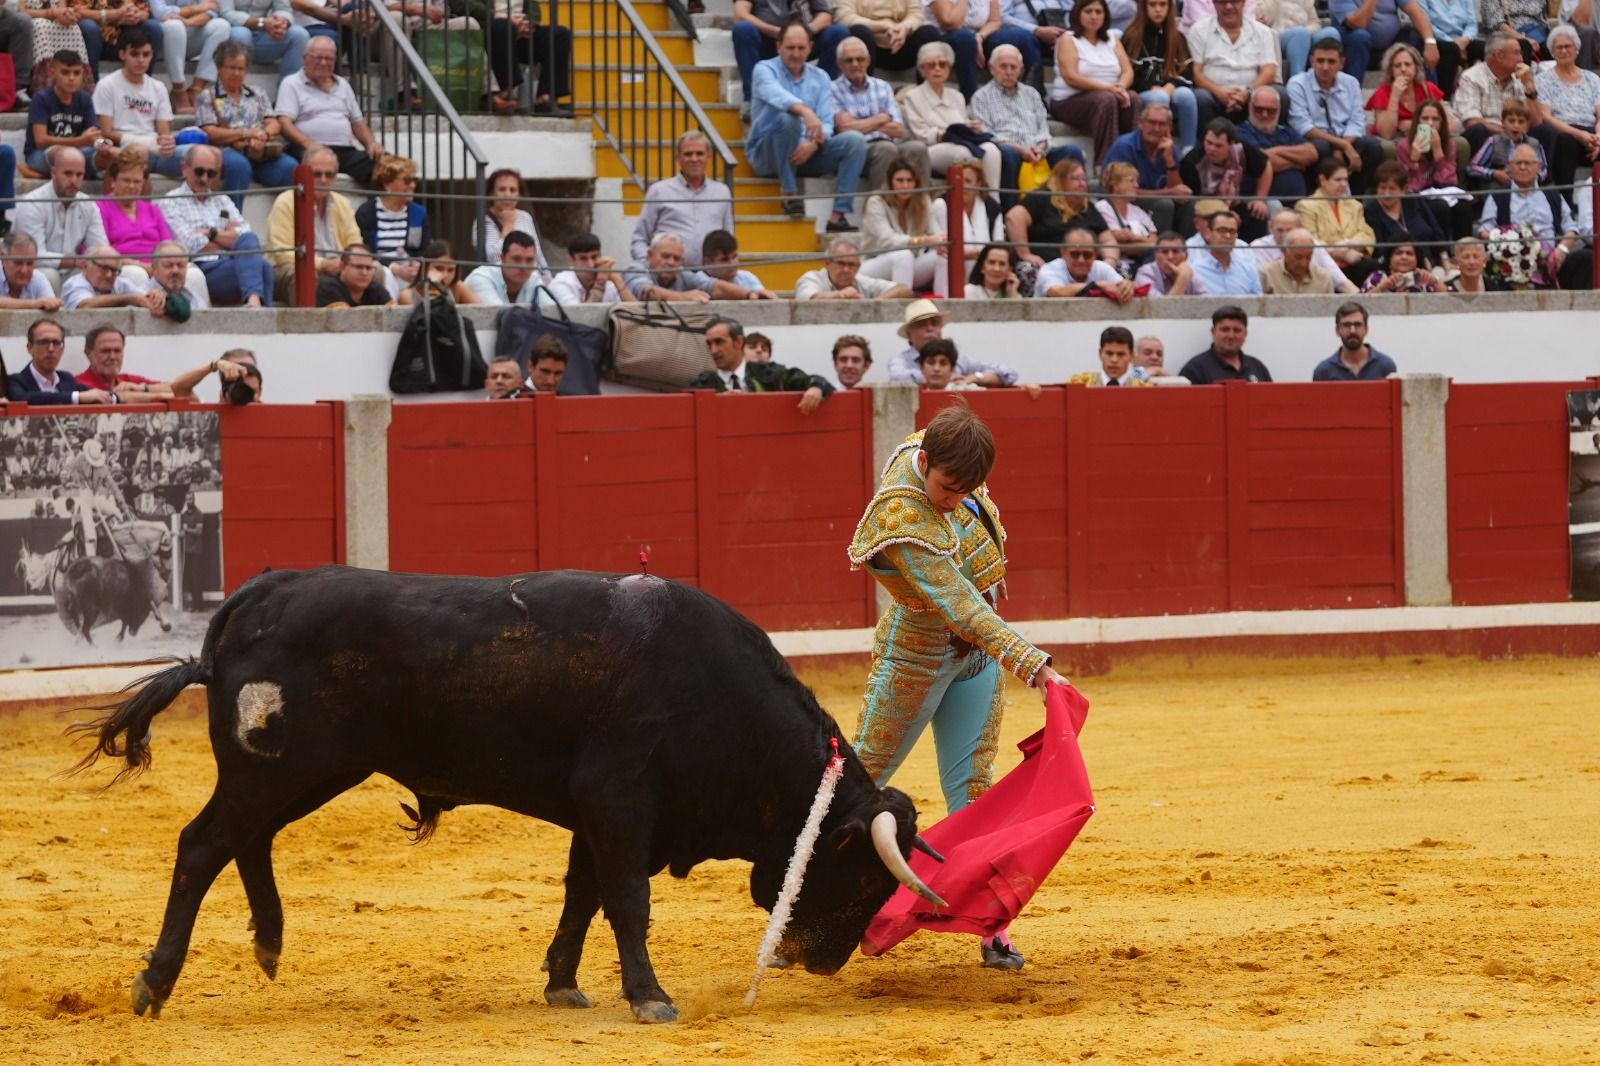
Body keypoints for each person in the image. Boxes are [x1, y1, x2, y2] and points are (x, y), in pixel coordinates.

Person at [847, 401, 1069, 970]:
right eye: (945, 488)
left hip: (975, 661)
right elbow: (962, 608)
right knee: (857, 783)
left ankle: (991, 926)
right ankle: (798, 908)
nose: (951, 501)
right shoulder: (905, 517)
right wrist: (1035, 665)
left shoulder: (947, 452)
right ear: (923, 462)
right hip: (916, 659)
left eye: (964, 491)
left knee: (974, 791)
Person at [746, 19, 868, 230]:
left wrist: (814, 143)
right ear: (779, 46)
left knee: (855, 141)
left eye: (801, 48)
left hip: (806, 152)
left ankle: (838, 216)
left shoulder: (820, 77)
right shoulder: (763, 69)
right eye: (790, 47)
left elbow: (827, 123)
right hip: (768, 155)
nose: (796, 53)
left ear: (810, 48)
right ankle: (790, 194)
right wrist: (805, 111)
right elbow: (776, 96)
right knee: (788, 118)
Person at [160, 143, 274, 306]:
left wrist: (210, 234)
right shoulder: (171, 202)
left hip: (231, 261)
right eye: (199, 171)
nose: (204, 178)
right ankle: (259, 312)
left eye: (211, 173)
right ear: (185, 168)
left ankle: (253, 302)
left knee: (257, 254)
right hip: (201, 267)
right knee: (261, 266)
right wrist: (228, 240)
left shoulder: (222, 200)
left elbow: (245, 235)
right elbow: (187, 246)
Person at [970, 43, 1078, 206]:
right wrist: (1019, 149)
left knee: (1072, 152)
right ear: (992, 68)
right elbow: (986, 135)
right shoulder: (981, 97)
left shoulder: (1032, 94)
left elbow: (1043, 128)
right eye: (1003, 66)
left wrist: (1040, 148)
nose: (1008, 72)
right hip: (1008, 152)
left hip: (1037, 152)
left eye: (1013, 67)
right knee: (1008, 154)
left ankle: (1073, 211)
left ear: (1020, 70)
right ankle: (1010, 213)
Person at [1477, 142, 1593, 288]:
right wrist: (1510, 242)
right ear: (1510, 167)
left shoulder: (1553, 195)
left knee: (1587, 259)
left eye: (1528, 163)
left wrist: (1562, 250)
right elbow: (1484, 231)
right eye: (1518, 163)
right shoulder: (1498, 196)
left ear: (1538, 167)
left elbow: (1571, 228)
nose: (1523, 167)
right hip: (1513, 262)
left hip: (1552, 261)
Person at [195, 38, 298, 196]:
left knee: (291, 168)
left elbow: (273, 123)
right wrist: (247, 133)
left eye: (241, 68)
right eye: (231, 68)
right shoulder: (207, 96)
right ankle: (232, 217)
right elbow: (210, 133)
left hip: (259, 149)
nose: (237, 73)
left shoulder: (257, 93)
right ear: (219, 68)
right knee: (239, 166)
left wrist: (264, 135)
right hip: (227, 150)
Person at [275, 35, 383, 185]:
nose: (324, 63)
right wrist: (309, 143)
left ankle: (376, 208)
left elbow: (358, 122)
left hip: (344, 150)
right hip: (307, 149)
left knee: (386, 168)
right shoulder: (291, 83)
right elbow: (284, 123)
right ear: (305, 58)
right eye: (318, 57)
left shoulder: (343, 84)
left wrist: (371, 144)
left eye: (329, 58)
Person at [832, 34, 933, 193]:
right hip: (858, 151)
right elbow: (844, 128)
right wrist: (881, 119)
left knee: (918, 149)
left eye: (860, 59)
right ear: (839, 64)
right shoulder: (833, 90)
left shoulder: (882, 86)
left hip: (889, 144)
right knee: (886, 149)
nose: (855, 64)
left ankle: (924, 206)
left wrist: (861, 124)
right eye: (848, 60)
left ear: (868, 61)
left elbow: (898, 129)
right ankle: (878, 206)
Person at [900, 39, 1002, 193]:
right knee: (964, 153)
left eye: (942, 64)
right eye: (931, 65)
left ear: (949, 68)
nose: (937, 69)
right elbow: (920, 134)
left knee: (991, 150)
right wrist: (949, 132)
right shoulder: (912, 96)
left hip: (959, 143)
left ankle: (993, 201)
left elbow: (963, 124)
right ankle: (964, 201)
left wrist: (971, 128)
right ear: (922, 70)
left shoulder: (957, 96)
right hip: (930, 149)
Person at [1286, 37, 1384, 195]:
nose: (1325, 67)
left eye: (1331, 61)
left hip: (1345, 139)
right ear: (1311, 61)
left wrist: (1342, 146)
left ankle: (1357, 199)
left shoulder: (1351, 83)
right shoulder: (1297, 84)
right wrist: (1343, 146)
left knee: (1372, 146)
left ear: (1341, 63)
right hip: (1316, 141)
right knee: (1321, 147)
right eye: (1320, 61)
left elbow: (1357, 120)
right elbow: (1303, 127)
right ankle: (1316, 195)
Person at [93, 27, 193, 180]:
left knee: (203, 155)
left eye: (146, 54)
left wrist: (166, 142)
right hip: (124, 149)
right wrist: (143, 142)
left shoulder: (158, 87)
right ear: (122, 55)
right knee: (139, 152)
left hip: (156, 152)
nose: (141, 60)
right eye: (135, 54)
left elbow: (164, 132)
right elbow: (105, 132)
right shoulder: (107, 85)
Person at [266, 144, 361, 301]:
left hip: (337, 267)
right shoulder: (285, 202)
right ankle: (304, 324)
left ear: (335, 177)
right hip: (290, 269)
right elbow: (282, 254)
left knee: (376, 271)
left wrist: (346, 265)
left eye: (329, 175)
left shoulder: (342, 203)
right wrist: (323, 264)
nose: (323, 180)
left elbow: (355, 245)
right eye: (316, 174)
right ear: (304, 172)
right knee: (305, 276)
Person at [629, 131, 734, 269]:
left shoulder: (722, 192)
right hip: (669, 277)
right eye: (688, 154)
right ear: (678, 157)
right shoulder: (659, 191)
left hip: (711, 276)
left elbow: (728, 238)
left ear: (709, 156)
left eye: (700, 153)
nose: (694, 159)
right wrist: (650, 264)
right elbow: (639, 239)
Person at [686, 316, 832, 413]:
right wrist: (717, 402)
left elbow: (817, 381)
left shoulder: (768, 373)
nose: (713, 350)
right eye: (709, 344)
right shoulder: (701, 384)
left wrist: (815, 388)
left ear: (738, 342)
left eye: (719, 342)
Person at [1049, 0, 1136, 164]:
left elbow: (1128, 71)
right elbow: (1071, 77)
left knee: (1133, 98)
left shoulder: (1112, 38)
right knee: (1106, 100)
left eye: (1098, 12)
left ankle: (1130, 161)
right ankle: (1105, 163)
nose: (1094, 16)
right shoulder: (1068, 39)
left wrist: (1120, 87)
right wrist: (1109, 89)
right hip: (1069, 101)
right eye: (1088, 11)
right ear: (1078, 13)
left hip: (1106, 95)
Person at [732, 0, 854, 109]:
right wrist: (774, 31)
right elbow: (740, 15)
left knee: (838, 32)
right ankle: (752, 98)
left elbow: (825, 16)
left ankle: (822, 95)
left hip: (802, 41)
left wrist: (804, 33)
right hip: (767, 39)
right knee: (743, 29)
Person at [1456, 32, 1557, 156]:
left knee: (1545, 131)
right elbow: (1472, 121)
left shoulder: (1521, 78)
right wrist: (1508, 134)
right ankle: (1481, 174)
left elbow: (1536, 122)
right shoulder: (1471, 77)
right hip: (1489, 136)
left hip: (1518, 134)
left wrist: (1529, 86)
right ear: (1499, 55)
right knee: (1477, 130)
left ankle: (1541, 175)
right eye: (1516, 53)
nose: (1521, 59)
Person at [860, 156, 951, 295]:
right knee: (903, 255)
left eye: (909, 181)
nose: (905, 186)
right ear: (891, 182)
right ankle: (904, 309)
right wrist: (923, 240)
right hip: (873, 266)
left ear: (916, 183)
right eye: (900, 180)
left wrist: (939, 243)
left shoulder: (922, 201)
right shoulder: (876, 202)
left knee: (942, 255)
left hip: (908, 265)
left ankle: (943, 303)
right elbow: (887, 241)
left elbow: (935, 234)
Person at [13, 146, 105, 279]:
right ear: (53, 172)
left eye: (79, 175)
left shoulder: (88, 205)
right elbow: (34, 256)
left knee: (102, 274)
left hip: (73, 270)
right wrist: (78, 261)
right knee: (49, 275)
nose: (74, 180)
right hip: (34, 274)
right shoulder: (32, 203)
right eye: (67, 173)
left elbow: (100, 249)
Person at [1100, 103, 1191, 234]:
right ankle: (1159, 252)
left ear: (1169, 128)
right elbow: (1122, 191)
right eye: (1152, 122)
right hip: (1121, 202)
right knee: (1164, 204)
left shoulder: (1170, 149)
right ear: (1140, 123)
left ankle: (1183, 250)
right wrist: (1168, 193)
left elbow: (1178, 193)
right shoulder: (1125, 146)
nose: (1156, 128)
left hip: (1155, 201)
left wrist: (1169, 160)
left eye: (1162, 124)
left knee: (1190, 204)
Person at [1004, 155, 1106, 270]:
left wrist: (1110, 260)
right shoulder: (1042, 198)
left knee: (1120, 266)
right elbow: (1014, 217)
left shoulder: (1088, 208)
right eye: (1075, 178)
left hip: (1083, 266)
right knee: (1027, 268)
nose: (1081, 183)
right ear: (1060, 180)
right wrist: (1025, 254)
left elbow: (1107, 238)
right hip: (1045, 265)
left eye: (1083, 179)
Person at [470, 0, 571, 115]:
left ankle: (544, 99)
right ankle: (502, 94)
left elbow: (533, 7)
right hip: (488, 28)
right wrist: (495, 16)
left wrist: (527, 23)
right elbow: (462, 4)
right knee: (503, 26)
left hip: (519, 30)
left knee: (559, 35)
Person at [1123, 0, 1199, 154]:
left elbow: (1186, 72)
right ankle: (1160, 149)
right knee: (1159, 98)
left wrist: (1170, 86)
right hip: (1144, 93)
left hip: (1170, 90)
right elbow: (1128, 74)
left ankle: (1188, 150)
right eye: (1152, 5)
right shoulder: (1131, 36)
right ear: (1144, 7)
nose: (1158, 9)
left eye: (1163, 5)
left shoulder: (1177, 38)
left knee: (1187, 96)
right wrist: (1150, 87)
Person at [1186, 0, 1278, 126]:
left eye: (1234, 1)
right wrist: (1219, 92)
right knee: (1200, 98)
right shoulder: (1198, 31)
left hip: (1250, 95)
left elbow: (1269, 70)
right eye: (1222, 2)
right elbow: (1195, 72)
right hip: (1213, 95)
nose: (1228, 6)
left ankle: (1265, 143)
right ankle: (1210, 143)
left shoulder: (1262, 32)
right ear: (1214, 3)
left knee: (1279, 95)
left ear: (1243, 2)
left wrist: (1248, 92)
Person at [1179, 117, 1272, 241]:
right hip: (1205, 208)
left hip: (1235, 203)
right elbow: (1194, 201)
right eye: (1209, 143)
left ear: (1231, 144)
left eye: (1218, 146)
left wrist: (1260, 198)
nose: (1211, 149)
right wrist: (1225, 215)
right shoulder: (1192, 162)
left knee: (1258, 213)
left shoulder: (1241, 148)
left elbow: (1266, 166)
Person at [1535, 25, 1600, 198]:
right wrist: (1579, 134)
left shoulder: (1592, 79)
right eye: (1559, 47)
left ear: (1576, 49)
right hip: (1564, 132)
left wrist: (1598, 136)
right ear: (1552, 51)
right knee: (1566, 141)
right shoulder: (1543, 80)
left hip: (1592, 133)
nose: (1564, 51)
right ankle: (1565, 205)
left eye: (1567, 46)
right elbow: (1545, 116)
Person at [1396, 100, 1476, 239]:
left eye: (1435, 119)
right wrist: (1414, 161)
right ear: (1417, 121)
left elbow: (1449, 182)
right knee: (1440, 207)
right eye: (1425, 118)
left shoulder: (1449, 145)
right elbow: (1409, 187)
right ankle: (1441, 253)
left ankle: (1463, 252)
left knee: (1464, 207)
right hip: (1418, 197)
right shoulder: (1404, 146)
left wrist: (1438, 153)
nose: (1430, 123)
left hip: (1443, 192)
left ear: (1442, 122)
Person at [887, 298, 1016, 383]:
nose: (930, 328)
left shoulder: (960, 360)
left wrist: (975, 377)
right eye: (921, 324)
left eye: (934, 323)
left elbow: (1009, 373)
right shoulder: (901, 360)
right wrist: (942, 378)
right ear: (909, 334)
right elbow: (897, 376)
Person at [1297, 155, 1379, 281]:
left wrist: (1348, 245)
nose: (1343, 184)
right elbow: (1311, 240)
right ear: (1323, 180)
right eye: (1338, 180)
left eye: (1345, 180)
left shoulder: (1354, 205)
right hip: (1325, 263)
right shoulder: (1306, 206)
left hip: (1354, 259)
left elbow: (1367, 234)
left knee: (1374, 266)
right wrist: (1338, 252)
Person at [355, 153, 429, 292]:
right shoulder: (367, 213)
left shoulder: (419, 213)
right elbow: (367, 252)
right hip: (382, 270)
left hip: (411, 271)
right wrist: (395, 268)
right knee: (386, 275)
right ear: (387, 183)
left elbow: (425, 249)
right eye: (407, 181)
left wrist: (416, 265)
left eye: (415, 180)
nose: (413, 185)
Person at [1236, 86, 1319, 201]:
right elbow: (1261, 163)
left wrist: (1276, 151)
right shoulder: (1241, 132)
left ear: (1279, 110)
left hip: (1299, 202)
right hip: (1264, 205)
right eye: (1259, 109)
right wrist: (1296, 162)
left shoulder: (1286, 131)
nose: (1264, 114)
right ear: (1250, 107)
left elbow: (1312, 153)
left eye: (1271, 110)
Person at [1327, 0, 1443, 82]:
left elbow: (1415, 11)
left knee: (1417, 36)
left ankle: (1431, 99)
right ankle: (1352, 96)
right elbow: (1359, 23)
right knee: (1360, 36)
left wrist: (1430, 41)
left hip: (1389, 47)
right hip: (1356, 48)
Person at [26, 49, 99, 179]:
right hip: (40, 154)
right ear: (52, 72)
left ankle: (107, 199)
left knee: (115, 156)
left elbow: (94, 136)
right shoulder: (41, 98)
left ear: (83, 73)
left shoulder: (85, 99)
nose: (72, 78)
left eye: (76, 73)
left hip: (78, 151)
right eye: (65, 72)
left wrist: (105, 145)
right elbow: (41, 141)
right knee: (66, 155)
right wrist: (79, 141)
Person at [6, 318, 116, 404]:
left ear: (62, 349)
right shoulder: (15, 381)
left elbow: (96, 395)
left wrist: (119, 395)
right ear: (30, 347)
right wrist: (76, 397)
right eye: (44, 342)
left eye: (56, 343)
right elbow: (23, 399)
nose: (51, 349)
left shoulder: (66, 379)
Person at [922, 0, 1016, 100]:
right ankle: (970, 98)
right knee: (965, 39)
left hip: (976, 36)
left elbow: (994, 21)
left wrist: (980, 37)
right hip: (943, 37)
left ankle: (1011, 95)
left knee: (1011, 38)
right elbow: (951, 22)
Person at [1249, 207, 1360, 291]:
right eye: (1280, 230)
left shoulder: (1312, 245)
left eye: (1289, 230)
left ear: (1300, 228)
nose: (1284, 235)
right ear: (1270, 228)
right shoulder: (1258, 247)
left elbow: (1340, 281)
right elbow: (1258, 287)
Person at [149, 0, 231, 114]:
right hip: (164, 38)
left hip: (190, 29)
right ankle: (178, 90)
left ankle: (197, 88)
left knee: (222, 25)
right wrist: (196, 8)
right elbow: (161, 12)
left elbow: (211, 10)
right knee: (174, 25)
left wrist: (188, 22)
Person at [1364, 159, 1450, 266]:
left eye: (1392, 189)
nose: (1386, 193)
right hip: (1397, 269)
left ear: (1403, 189)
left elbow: (1436, 232)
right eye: (1382, 188)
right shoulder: (1371, 211)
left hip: (1432, 264)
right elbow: (1381, 252)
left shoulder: (1414, 199)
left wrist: (1445, 260)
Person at [624, 233, 753, 302]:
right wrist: (683, 297)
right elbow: (647, 292)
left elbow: (714, 287)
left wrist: (749, 294)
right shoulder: (636, 269)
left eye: (676, 258)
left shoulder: (682, 273)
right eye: (665, 256)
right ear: (650, 255)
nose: (671, 262)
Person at [99, 148, 176, 263]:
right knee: (137, 274)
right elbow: (100, 251)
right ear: (113, 181)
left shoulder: (152, 209)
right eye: (126, 180)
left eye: (137, 182)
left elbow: (167, 245)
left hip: (157, 268)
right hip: (119, 269)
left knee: (194, 274)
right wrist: (139, 265)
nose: (131, 186)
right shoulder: (100, 208)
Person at [834, 0, 942, 80]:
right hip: (871, 48)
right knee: (860, 31)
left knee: (929, 33)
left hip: (901, 43)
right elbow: (844, 16)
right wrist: (882, 26)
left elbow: (916, 14)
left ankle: (926, 89)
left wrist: (904, 27)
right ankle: (864, 88)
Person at [220, 0, 311, 86]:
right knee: (241, 34)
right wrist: (261, 22)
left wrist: (280, 23)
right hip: (232, 34)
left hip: (263, 35)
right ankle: (236, 92)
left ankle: (288, 94)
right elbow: (226, 12)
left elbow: (284, 9)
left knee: (299, 35)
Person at [475, 166, 549, 271]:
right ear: (491, 193)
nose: (507, 194)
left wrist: (547, 280)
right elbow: (493, 259)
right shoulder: (485, 221)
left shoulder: (525, 216)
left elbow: (538, 254)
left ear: (519, 195)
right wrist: (508, 226)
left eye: (513, 190)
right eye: (502, 189)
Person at [795, 235, 914, 299]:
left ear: (858, 267)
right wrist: (839, 295)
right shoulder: (811, 278)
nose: (846, 270)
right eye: (841, 263)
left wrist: (876, 302)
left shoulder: (862, 282)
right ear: (827, 263)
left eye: (851, 265)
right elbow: (811, 298)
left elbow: (904, 289)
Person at [1367, 42, 1444, 142]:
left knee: (1460, 143)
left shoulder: (1429, 88)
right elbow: (1386, 134)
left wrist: (1415, 126)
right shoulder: (1382, 92)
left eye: (1407, 64)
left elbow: (1449, 126)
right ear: (1391, 70)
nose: (1403, 69)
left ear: (1415, 67)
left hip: (1426, 137)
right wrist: (1395, 96)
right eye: (1397, 66)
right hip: (1395, 139)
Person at [1178, 304, 1272, 383]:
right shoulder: (1195, 370)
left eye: (1237, 330)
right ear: (1213, 332)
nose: (1231, 335)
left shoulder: (1257, 367)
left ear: (1245, 334)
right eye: (1225, 330)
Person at [1466, 98, 1548, 188]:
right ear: (1503, 123)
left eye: (1521, 122)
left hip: (1528, 189)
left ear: (1526, 126)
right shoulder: (1493, 142)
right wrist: (1494, 173)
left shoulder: (1534, 144)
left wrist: (1537, 177)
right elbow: (1471, 167)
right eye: (1511, 121)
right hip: (1500, 189)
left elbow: (1543, 169)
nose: (1516, 125)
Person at [1035, 226, 1136, 299]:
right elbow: (1057, 292)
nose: (1081, 260)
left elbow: (1121, 285)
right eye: (1074, 254)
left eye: (1087, 255)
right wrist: (1097, 286)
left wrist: (1126, 286)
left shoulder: (1101, 267)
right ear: (1063, 252)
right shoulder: (1050, 269)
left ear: (1096, 254)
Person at [73, 323, 168, 398]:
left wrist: (142, 389)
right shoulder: (76, 385)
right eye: (105, 351)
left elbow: (176, 388)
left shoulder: (130, 381)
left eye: (117, 351)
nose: (112, 356)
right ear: (88, 353)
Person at [62, 245, 167, 310]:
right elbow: (85, 305)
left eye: (114, 270)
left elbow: (142, 297)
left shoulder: (121, 283)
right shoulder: (74, 284)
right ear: (85, 266)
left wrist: (155, 296)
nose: (109, 275)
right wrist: (129, 299)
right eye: (104, 268)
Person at [1313, 301, 1398, 379]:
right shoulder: (1323, 372)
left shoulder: (1385, 366)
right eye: (1346, 325)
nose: (1352, 331)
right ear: (1337, 330)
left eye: (1357, 324)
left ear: (1366, 329)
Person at [543, 231, 632, 305]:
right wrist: (600, 284)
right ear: (571, 260)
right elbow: (580, 319)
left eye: (594, 257)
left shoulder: (608, 281)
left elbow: (637, 313)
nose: (591, 265)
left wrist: (616, 278)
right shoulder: (560, 283)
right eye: (583, 258)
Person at [1094, 161, 1158, 262]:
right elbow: (1114, 238)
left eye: (1137, 181)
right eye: (1131, 181)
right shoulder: (1102, 208)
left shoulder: (1138, 211)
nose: (1136, 185)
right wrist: (1144, 241)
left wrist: (1133, 237)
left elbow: (1155, 240)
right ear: (1115, 185)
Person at [1187, 208, 1262, 293]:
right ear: (1208, 233)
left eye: (1232, 231)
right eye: (1222, 230)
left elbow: (1258, 303)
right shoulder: (1195, 272)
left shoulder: (1248, 271)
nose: (1227, 235)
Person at [1258, 0, 1329, 80]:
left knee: (1330, 33)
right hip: (1278, 37)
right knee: (1300, 33)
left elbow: (1315, 22)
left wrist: (1308, 31)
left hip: (1306, 34)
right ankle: (1297, 82)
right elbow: (1265, 20)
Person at [396, 239, 480, 306]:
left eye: (450, 270)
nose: (445, 275)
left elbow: (485, 312)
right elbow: (433, 320)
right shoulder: (407, 295)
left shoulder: (458, 287)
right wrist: (433, 287)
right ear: (425, 268)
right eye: (439, 269)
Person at [1259, 225, 1338, 292]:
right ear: (1285, 252)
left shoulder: (1323, 278)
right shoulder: (1267, 275)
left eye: (1308, 257)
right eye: (1298, 257)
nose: (1303, 263)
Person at [700, 229, 778, 297]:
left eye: (734, 257)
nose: (732, 263)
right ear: (707, 262)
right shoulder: (697, 280)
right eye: (724, 260)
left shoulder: (747, 277)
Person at [144, 240, 211, 317]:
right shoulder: (142, 295)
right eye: (168, 265)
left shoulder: (196, 300)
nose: (175, 271)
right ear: (153, 268)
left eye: (180, 265)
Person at [0, 232, 64, 310]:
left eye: (30, 263)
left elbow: (51, 305)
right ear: (3, 258)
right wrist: (35, 304)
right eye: (18, 263)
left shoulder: (38, 278)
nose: (24, 270)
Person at [1068, 325, 1149, 385]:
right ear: (1100, 353)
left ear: (1131, 356)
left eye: (1121, 354)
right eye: (1109, 353)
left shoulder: (1143, 388)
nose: (1114, 360)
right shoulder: (1079, 384)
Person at [316, 243, 392, 306]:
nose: (364, 273)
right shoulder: (328, 288)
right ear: (342, 267)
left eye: (368, 268)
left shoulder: (376, 289)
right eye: (359, 267)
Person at [1136, 229, 1207, 294]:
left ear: (1186, 256)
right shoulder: (1145, 273)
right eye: (1165, 252)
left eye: (1175, 251)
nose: (1170, 257)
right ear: (1156, 256)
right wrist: (1182, 280)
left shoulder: (1190, 272)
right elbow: (1160, 307)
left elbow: (1207, 304)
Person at [1360, 240, 1447, 292]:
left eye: (1409, 253)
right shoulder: (1377, 277)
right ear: (1389, 259)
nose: (1404, 257)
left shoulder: (1424, 278)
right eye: (1398, 253)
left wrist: (1434, 282)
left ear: (1417, 259)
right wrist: (1382, 287)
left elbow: (1450, 301)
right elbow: (1362, 303)